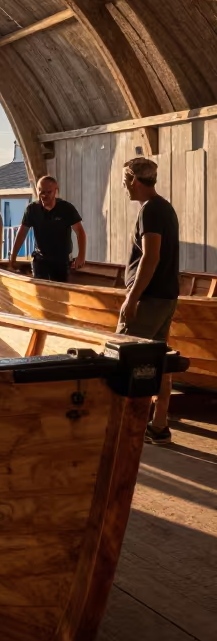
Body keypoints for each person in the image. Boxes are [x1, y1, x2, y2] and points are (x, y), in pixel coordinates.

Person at [117, 157, 180, 446]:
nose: (124, 186)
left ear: (134, 179)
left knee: (124, 356)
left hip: (149, 299)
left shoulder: (150, 210)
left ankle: (124, 423)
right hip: (166, 295)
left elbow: (150, 256)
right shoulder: (164, 207)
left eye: (125, 180)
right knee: (159, 359)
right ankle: (159, 424)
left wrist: (132, 298)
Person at [9, 175, 86, 281]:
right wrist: (13, 256)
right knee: (40, 291)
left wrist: (81, 256)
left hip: (61, 260)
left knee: (60, 292)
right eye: (41, 191)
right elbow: (22, 233)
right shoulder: (32, 209)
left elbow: (80, 232)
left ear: (56, 191)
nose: (44, 195)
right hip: (40, 259)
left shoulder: (66, 208)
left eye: (48, 192)